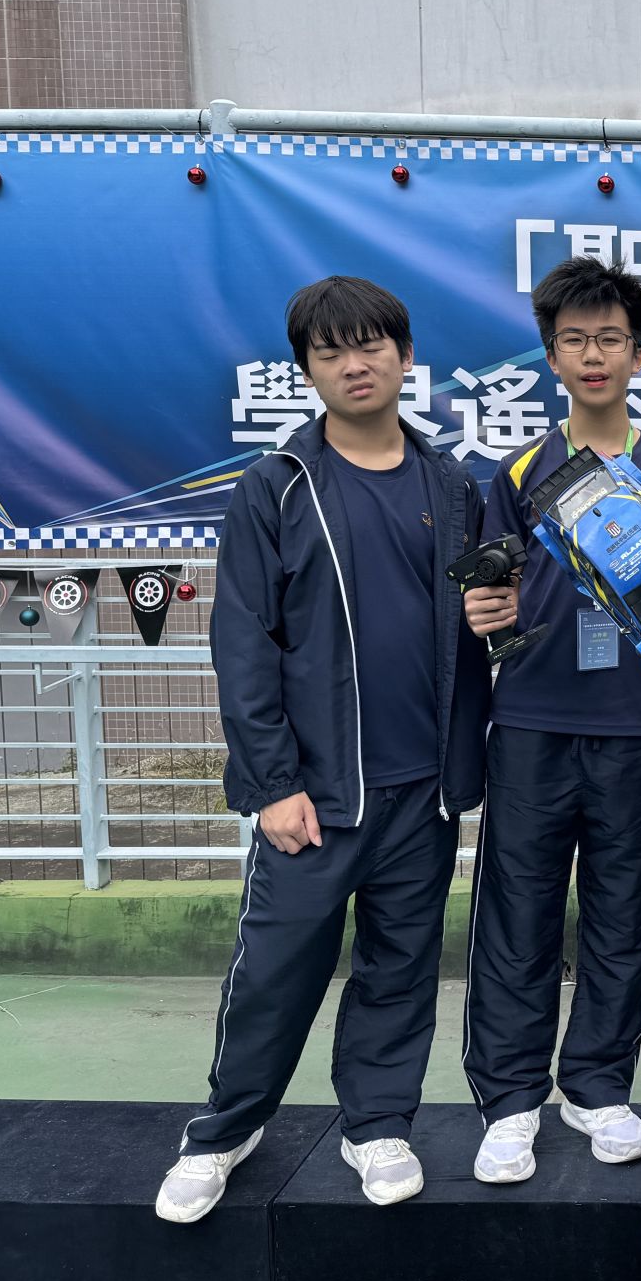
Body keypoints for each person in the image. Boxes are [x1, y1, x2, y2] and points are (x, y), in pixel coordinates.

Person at [156, 276, 491, 1222]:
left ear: (405, 356)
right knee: (274, 972)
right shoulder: (276, 487)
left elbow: (478, 632)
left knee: (400, 968)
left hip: (423, 790)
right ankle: (223, 1132)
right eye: (331, 350)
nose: (355, 364)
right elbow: (243, 644)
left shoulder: (452, 487)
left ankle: (376, 1125)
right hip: (315, 793)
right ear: (306, 369)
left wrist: (498, 624)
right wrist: (272, 785)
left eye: (372, 345)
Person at [458, 257, 641, 1184]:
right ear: (552, 357)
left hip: (630, 728)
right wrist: (484, 612)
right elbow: (490, 600)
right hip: (529, 723)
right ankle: (511, 1100)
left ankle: (598, 1088)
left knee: (619, 912)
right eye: (576, 340)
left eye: (611, 339)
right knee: (517, 914)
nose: (594, 354)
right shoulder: (519, 472)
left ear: (637, 355)